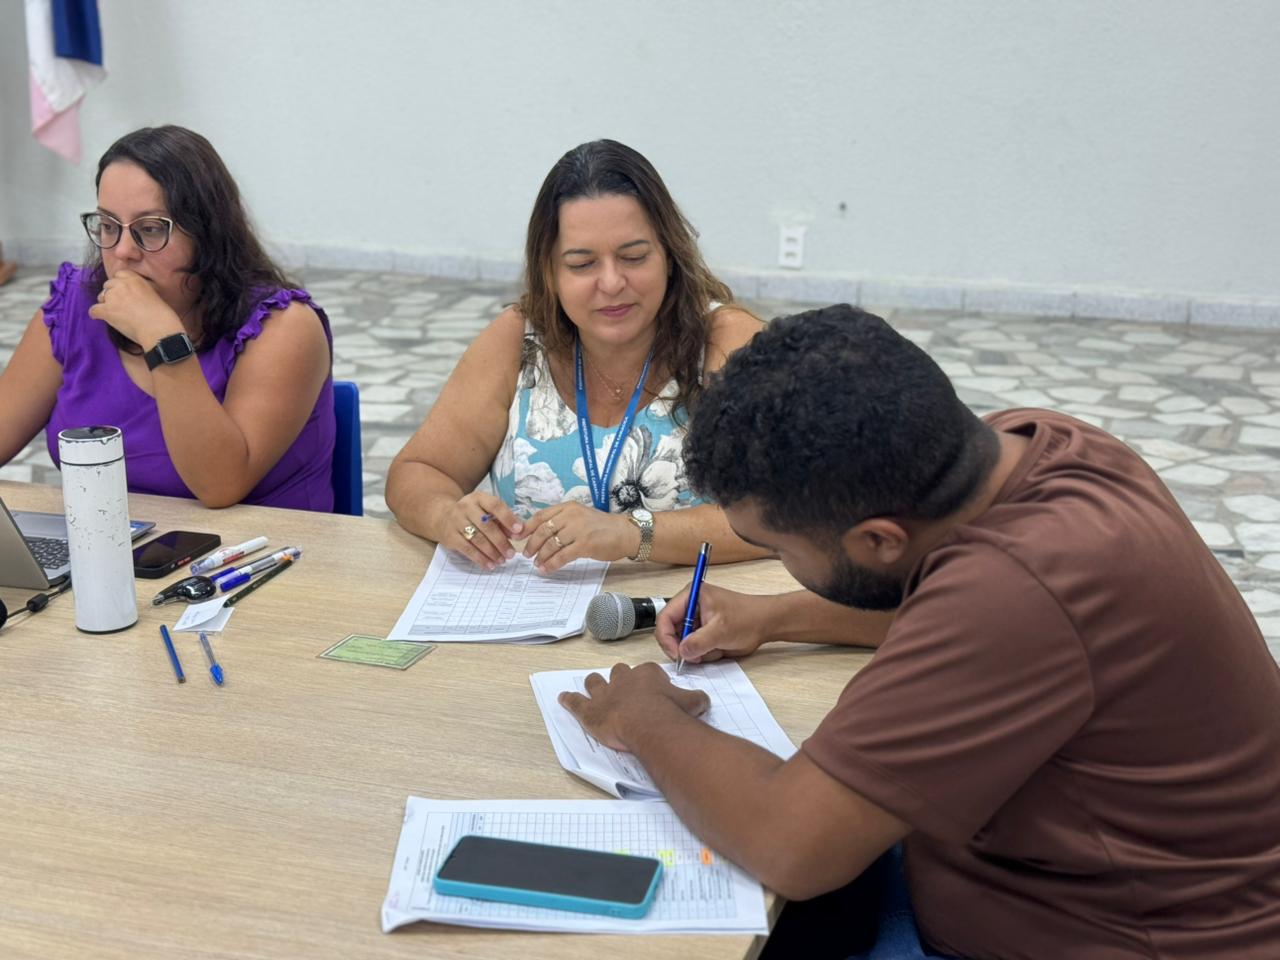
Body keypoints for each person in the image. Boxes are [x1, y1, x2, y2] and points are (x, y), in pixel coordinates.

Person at [559, 304, 1280, 959]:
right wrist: (779, 615)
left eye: (780, 551)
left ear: (878, 540)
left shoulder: (1014, 594)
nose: (779, 566)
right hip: (1042, 885)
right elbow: (975, 620)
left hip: (1132, 936)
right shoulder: (1031, 447)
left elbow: (790, 844)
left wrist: (644, 717)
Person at [386, 139, 769, 572]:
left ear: (669, 256)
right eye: (582, 264)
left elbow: (783, 513)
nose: (610, 282)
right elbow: (417, 471)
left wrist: (629, 533)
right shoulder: (519, 340)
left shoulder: (725, 341)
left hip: (686, 617)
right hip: (537, 620)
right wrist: (447, 516)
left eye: (633, 256)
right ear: (548, 272)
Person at [0, 126, 335, 511]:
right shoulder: (76, 303)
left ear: (207, 234)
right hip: (114, 550)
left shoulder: (282, 325)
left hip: (258, 556)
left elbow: (220, 484)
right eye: (108, 226)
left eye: (150, 229)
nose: (123, 251)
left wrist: (161, 337)